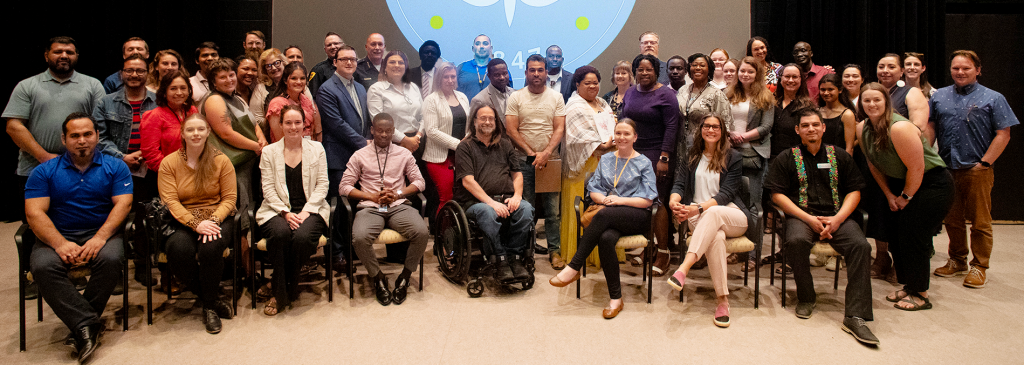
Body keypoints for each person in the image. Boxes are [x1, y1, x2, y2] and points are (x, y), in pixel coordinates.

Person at [764, 108, 877, 345]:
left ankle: (855, 315)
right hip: (801, 217)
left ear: (824, 127)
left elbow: (855, 191)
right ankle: (806, 296)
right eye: (805, 126)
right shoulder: (786, 157)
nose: (811, 129)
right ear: (798, 130)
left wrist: (838, 219)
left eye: (815, 124)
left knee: (861, 246)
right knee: (795, 241)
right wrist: (808, 218)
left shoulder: (840, 156)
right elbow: (777, 196)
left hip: (837, 217)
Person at [25, 113, 132, 362]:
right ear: (64, 139)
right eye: (75, 135)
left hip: (101, 232)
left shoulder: (115, 167)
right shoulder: (43, 172)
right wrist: (60, 243)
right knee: (42, 266)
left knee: (112, 259)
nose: (81, 140)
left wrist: (100, 238)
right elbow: (34, 213)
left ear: (97, 136)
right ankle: (87, 323)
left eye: (87, 134)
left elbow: (124, 205)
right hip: (57, 235)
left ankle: (81, 325)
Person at [857, 82, 953, 311]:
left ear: (886, 102)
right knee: (898, 238)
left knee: (914, 238)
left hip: (931, 184)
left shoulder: (900, 128)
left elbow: (917, 168)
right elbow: (873, 163)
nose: (872, 104)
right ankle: (909, 285)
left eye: (877, 100)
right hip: (901, 185)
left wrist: (905, 197)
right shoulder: (862, 128)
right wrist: (889, 194)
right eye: (867, 100)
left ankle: (920, 293)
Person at [549, 119, 658, 319]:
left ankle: (574, 266)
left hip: (636, 216)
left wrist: (618, 201)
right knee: (606, 238)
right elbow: (594, 189)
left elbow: (647, 199)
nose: (621, 137)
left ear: (635, 137)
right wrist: (605, 200)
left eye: (626, 134)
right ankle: (616, 299)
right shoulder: (607, 159)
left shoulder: (643, 162)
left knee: (604, 214)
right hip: (609, 214)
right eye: (618, 133)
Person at [930, 50, 1019, 288]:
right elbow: (930, 127)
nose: (960, 72)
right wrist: (927, 157)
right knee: (952, 219)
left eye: (966, 68)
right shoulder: (939, 96)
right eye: (956, 68)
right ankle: (957, 260)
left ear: (978, 70)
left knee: (980, 221)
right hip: (946, 168)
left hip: (977, 169)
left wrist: (985, 164)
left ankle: (979, 266)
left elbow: (1004, 134)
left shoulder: (994, 97)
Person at [667, 115, 756, 327]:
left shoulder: (733, 157)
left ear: (722, 131)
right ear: (701, 130)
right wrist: (673, 203)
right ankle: (723, 301)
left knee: (713, 213)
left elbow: (726, 194)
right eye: (707, 126)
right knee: (715, 238)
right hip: (698, 216)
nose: (711, 130)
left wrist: (697, 208)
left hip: (730, 214)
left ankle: (684, 268)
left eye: (716, 127)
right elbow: (679, 185)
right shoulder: (692, 156)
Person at [5, 36, 105, 223]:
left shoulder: (93, 85)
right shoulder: (27, 86)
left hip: (82, 168)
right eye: (58, 51)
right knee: (34, 224)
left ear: (77, 56)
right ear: (46, 56)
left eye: (69, 52)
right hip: (35, 167)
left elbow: (101, 127)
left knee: (79, 223)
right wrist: (43, 156)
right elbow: (13, 126)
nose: (64, 55)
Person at [158, 114, 237, 334]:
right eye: (190, 130)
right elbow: (170, 201)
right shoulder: (169, 163)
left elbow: (230, 199)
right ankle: (208, 297)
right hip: (182, 219)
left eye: (201, 129)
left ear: (208, 132)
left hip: (217, 217)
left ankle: (209, 307)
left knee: (210, 248)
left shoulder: (221, 160)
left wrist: (211, 221)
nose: (196, 134)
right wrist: (195, 223)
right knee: (178, 250)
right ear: (182, 133)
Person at [339, 113, 429, 306]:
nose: (384, 135)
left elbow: (420, 182)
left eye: (388, 131)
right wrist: (370, 196)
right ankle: (378, 277)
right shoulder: (360, 155)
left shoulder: (404, 153)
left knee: (422, 232)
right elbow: (344, 186)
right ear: (372, 130)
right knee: (360, 238)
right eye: (379, 131)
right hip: (370, 207)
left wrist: (398, 194)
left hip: (398, 206)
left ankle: (405, 276)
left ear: (393, 131)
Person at [256, 105, 330, 316]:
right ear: (280, 125)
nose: (293, 127)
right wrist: (285, 213)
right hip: (276, 210)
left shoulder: (317, 149)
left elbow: (323, 184)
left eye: (297, 122)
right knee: (280, 234)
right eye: (288, 122)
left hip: (311, 209)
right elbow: (267, 188)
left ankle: (279, 285)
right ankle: (284, 291)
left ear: (305, 125)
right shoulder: (269, 152)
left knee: (302, 238)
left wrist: (306, 211)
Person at [93, 54, 158, 285]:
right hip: (114, 169)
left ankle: (143, 265)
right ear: (122, 73)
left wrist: (145, 154)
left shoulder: (157, 100)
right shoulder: (105, 102)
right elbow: (98, 138)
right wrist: (122, 157)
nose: (134, 75)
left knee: (144, 219)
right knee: (114, 219)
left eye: (140, 71)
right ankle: (115, 269)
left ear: (147, 73)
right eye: (129, 70)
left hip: (147, 169)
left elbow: (164, 132)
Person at [455, 104, 534, 282]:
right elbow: (468, 181)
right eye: (483, 118)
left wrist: (517, 196)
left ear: (496, 122)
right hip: (475, 203)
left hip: (506, 198)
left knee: (526, 209)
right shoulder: (465, 147)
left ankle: (514, 257)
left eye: (491, 118)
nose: (487, 121)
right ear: (474, 121)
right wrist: (492, 203)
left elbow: (517, 174)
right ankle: (500, 258)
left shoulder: (506, 145)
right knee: (488, 212)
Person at [505, 54, 567, 269]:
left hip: (551, 161)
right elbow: (511, 130)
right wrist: (532, 153)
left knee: (552, 212)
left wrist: (546, 152)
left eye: (540, 70)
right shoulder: (516, 97)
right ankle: (527, 251)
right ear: (525, 73)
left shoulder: (556, 97)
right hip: (524, 162)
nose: (536, 74)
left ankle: (555, 251)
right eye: (532, 70)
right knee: (526, 211)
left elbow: (559, 128)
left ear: (546, 71)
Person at [620, 53, 678, 275]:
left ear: (656, 71)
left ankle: (663, 253)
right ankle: (648, 247)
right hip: (633, 152)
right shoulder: (632, 92)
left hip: (657, 154)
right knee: (639, 202)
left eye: (649, 69)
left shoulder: (666, 95)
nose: (644, 73)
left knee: (657, 201)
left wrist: (664, 157)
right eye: (640, 70)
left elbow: (672, 127)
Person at [199, 58, 266, 249]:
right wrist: (256, 146)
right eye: (222, 77)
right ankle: (244, 272)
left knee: (250, 214)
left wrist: (261, 139)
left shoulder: (236, 98)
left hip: (247, 164)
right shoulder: (213, 100)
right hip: (231, 168)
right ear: (213, 81)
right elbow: (226, 133)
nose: (229, 80)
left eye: (230, 75)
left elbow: (254, 124)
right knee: (241, 220)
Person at [315, 45, 370, 268]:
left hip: (359, 157)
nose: (349, 63)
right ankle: (335, 253)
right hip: (338, 156)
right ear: (335, 62)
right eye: (344, 59)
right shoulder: (327, 89)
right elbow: (335, 124)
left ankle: (350, 249)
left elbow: (364, 121)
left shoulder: (360, 87)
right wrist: (364, 143)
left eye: (353, 59)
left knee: (355, 205)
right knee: (338, 207)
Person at [561, 66, 616, 270]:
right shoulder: (574, 106)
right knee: (583, 209)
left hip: (606, 164)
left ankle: (603, 254)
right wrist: (604, 145)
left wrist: (610, 142)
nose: (592, 86)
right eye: (587, 83)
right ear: (577, 84)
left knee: (605, 208)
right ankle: (580, 256)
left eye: (595, 82)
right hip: (582, 167)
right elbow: (581, 139)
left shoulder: (602, 103)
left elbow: (611, 130)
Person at [725, 56, 775, 271]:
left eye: (750, 72)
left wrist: (742, 137)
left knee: (754, 207)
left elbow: (766, 127)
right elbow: (721, 120)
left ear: (757, 75)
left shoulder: (766, 97)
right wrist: (730, 135)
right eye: (742, 71)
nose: (745, 75)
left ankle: (754, 254)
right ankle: (737, 250)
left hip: (753, 156)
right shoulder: (728, 94)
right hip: (729, 155)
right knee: (733, 205)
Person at [422, 62, 469, 216]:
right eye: (446, 77)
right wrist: (458, 144)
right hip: (439, 158)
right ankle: (442, 236)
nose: (450, 80)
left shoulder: (462, 97)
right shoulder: (431, 100)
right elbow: (431, 131)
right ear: (439, 79)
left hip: (462, 156)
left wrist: (466, 143)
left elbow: (468, 125)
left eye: (453, 76)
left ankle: (458, 234)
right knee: (447, 197)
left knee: (463, 197)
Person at [677, 53, 733, 162]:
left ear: (709, 69)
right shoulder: (682, 90)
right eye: (694, 65)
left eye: (702, 65)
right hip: (681, 146)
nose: (698, 68)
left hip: (706, 147)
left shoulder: (717, 94)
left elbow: (725, 124)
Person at [368, 50, 424, 153]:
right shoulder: (376, 89)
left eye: (401, 63)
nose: (397, 65)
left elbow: (423, 116)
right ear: (384, 67)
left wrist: (418, 136)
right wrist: (405, 140)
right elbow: (378, 121)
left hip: (417, 143)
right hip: (391, 145)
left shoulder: (413, 87)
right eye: (392, 62)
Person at [142, 71, 197, 172]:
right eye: (173, 88)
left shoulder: (192, 111)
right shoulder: (154, 116)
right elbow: (151, 154)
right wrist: (173, 172)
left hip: (194, 171)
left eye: (183, 88)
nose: (179, 92)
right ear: (164, 92)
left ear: (189, 90)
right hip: (167, 174)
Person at [875, 54, 930, 140]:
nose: (885, 70)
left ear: (902, 71)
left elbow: (918, 128)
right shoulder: (871, 92)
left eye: (891, 67)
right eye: (881, 67)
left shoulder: (913, 92)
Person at [266, 62, 321, 142]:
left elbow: (313, 131)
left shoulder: (306, 100)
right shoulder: (277, 104)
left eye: (302, 78)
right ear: (285, 80)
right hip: (287, 150)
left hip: (309, 148)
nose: (299, 82)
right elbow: (280, 139)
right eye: (294, 78)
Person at [770, 64, 814, 160]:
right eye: (787, 76)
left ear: (801, 80)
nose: (790, 80)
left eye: (794, 77)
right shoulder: (772, 103)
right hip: (771, 159)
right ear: (781, 79)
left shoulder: (807, 107)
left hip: (797, 159)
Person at [817, 74, 856, 153]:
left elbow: (849, 148)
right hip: (819, 159)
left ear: (840, 90)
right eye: (823, 89)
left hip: (838, 160)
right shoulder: (817, 112)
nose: (826, 93)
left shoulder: (847, 114)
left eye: (830, 89)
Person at [469, 58, 514, 125]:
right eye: (497, 75)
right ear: (489, 76)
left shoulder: (515, 94)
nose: (502, 77)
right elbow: (471, 129)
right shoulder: (479, 100)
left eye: (505, 73)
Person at [307, 32, 345, 97]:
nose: (333, 47)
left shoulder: (352, 66)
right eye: (329, 45)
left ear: (343, 45)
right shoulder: (318, 70)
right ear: (325, 49)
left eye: (336, 43)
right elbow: (313, 97)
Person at [457, 34, 494, 99]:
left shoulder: (498, 68)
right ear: (473, 49)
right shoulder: (462, 68)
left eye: (485, 43)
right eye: (478, 44)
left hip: (493, 109)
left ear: (491, 48)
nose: (481, 46)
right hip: (467, 109)